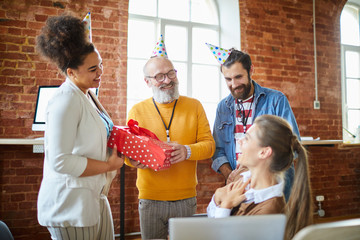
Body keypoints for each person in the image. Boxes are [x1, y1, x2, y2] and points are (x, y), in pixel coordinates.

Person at [36, 14, 124, 240]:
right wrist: (107, 166)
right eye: (93, 69)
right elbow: (60, 160)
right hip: (71, 205)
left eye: (101, 65)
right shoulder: (65, 100)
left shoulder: (87, 95)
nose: (100, 73)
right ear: (71, 73)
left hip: (93, 196)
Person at [126, 36, 215, 239]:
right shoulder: (137, 111)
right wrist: (133, 160)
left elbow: (209, 145)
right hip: (149, 199)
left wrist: (187, 150)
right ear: (147, 82)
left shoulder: (195, 106)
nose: (167, 80)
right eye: (159, 76)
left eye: (171, 73)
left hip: (186, 198)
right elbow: (127, 155)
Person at [206, 44, 300, 201]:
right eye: (228, 79)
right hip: (238, 188)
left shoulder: (276, 100)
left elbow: (292, 146)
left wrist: (256, 173)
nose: (234, 84)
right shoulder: (223, 107)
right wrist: (231, 176)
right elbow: (218, 149)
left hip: (273, 186)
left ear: (251, 71)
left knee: (279, 224)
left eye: (238, 77)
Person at [207, 114, 313, 240]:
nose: (239, 141)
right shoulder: (242, 176)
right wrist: (218, 197)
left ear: (263, 152)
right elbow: (210, 214)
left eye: (247, 138)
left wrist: (225, 206)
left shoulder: (270, 211)